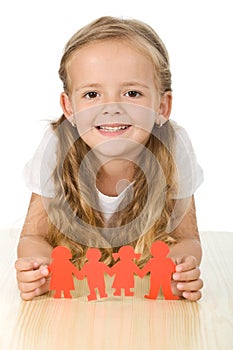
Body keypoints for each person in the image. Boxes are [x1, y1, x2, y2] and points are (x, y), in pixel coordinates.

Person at [15, 16, 204, 302]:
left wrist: (180, 269)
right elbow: (32, 237)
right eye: (92, 94)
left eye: (132, 93)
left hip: (140, 291)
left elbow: (187, 238)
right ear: (69, 107)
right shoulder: (55, 147)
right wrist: (38, 268)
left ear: (162, 107)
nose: (112, 108)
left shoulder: (175, 146)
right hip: (79, 291)